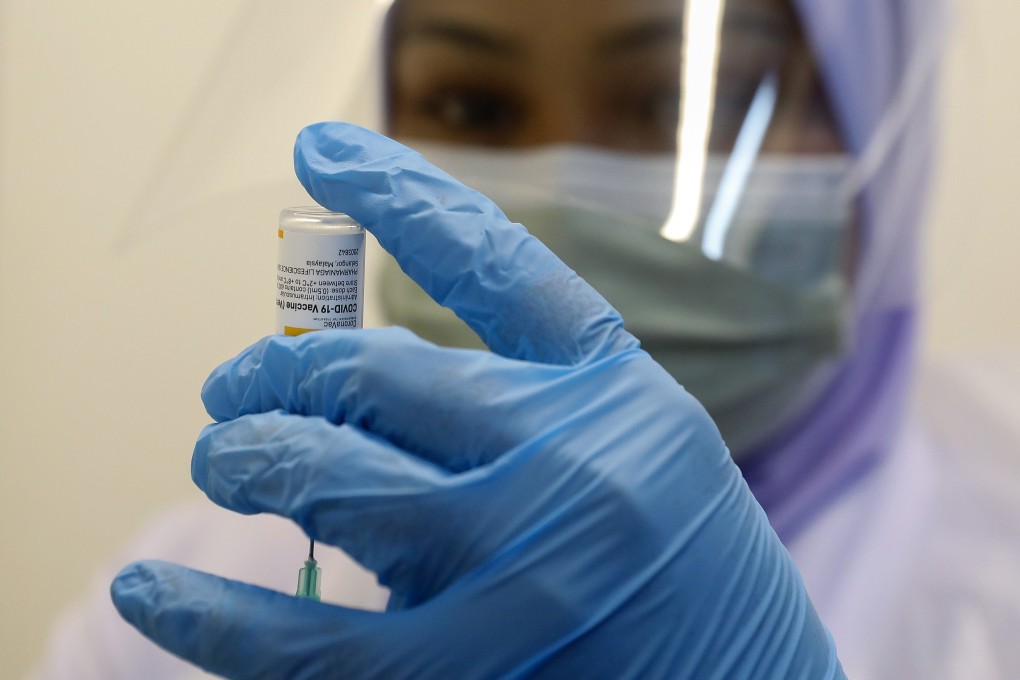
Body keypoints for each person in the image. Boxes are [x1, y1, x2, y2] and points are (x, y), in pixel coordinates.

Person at [30, 0, 1020, 678]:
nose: (551, 210)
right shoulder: (203, 602)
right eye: (472, 105)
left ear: (878, 104)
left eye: (681, 102)